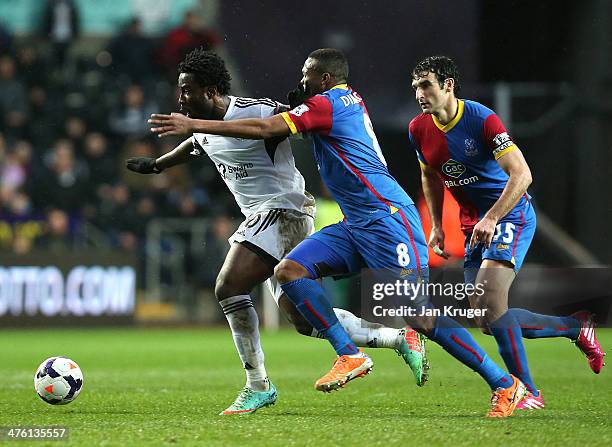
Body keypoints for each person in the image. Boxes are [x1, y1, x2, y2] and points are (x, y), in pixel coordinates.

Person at [149, 48, 529, 418]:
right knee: (290, 271)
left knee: (421, 318)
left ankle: (503, 383)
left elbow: (265, 127)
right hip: (356, 222)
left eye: (306, 76)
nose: (301, 82)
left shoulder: (326, 104)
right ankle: (350, 354)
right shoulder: (337, 101)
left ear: (325, 78)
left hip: (388, 218)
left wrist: (193, 123)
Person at [129, 48, 427, 415]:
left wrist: (301, 112)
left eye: (187, 91)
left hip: (283, 210)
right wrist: (158, 165)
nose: (181, 99)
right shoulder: (202, 125)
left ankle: (259, 385)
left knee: (228, 285)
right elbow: (198, 144)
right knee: (302, 319)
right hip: (265, 218)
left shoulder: (256, 110)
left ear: (209, 91)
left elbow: (272, 127)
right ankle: (397, 338)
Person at [408, 55, 606, 410]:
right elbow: (429, 176)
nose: (420, 93)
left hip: (509, 216)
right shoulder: (418, 129)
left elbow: (522, 174)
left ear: (448, 85)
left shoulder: (481, 119)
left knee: (492, 301)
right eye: (416, 87)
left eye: (427, 85)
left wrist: (493, 217)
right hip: (474, 227)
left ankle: (527, 390)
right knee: (487, 320)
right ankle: (574, 328)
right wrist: (437, 224)